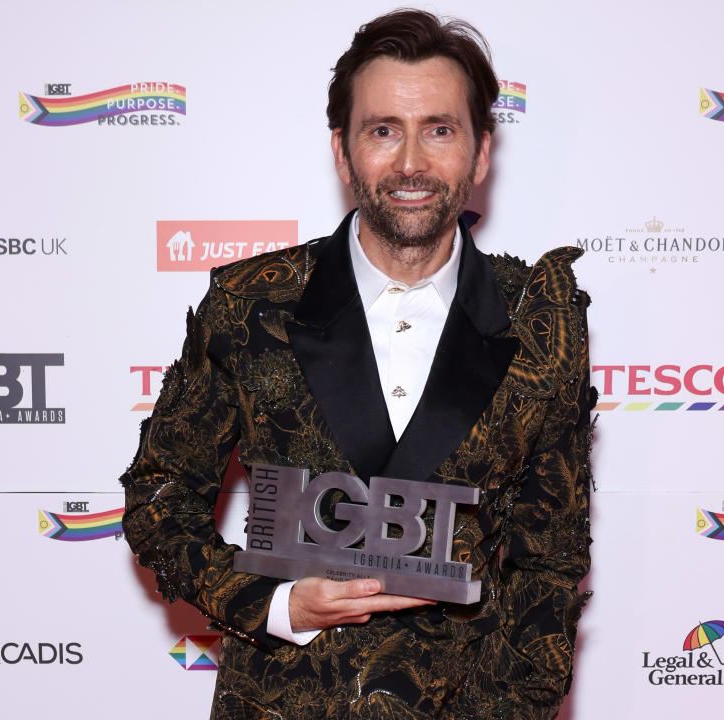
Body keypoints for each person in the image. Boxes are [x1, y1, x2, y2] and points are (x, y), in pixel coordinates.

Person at [122, 9, 594, 719]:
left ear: (481, 153)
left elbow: (549, 565)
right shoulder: (252, 305)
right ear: (342, 153)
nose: (411, 163)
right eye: (383, 131)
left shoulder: (538, 317)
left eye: (440, 129)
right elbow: (160, 504)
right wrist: (277, 603)